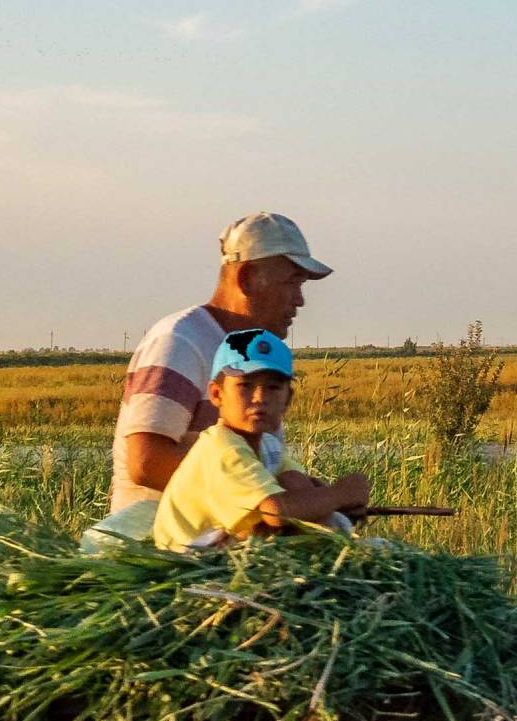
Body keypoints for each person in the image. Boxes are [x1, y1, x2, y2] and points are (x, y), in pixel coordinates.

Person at [106, 212, 333, 532]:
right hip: (162, 549)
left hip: (224, 546)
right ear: (247, 279)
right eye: (291, 282)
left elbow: (260, 465)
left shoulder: (257, 360)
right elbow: (146, 462)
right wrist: (254, 503)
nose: (299, 300)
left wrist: (312, 498)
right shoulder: (180, 342)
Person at [150, 330, 370, 550]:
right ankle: (337, 551)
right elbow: (274, 511)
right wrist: (341, 494)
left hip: (226, 554)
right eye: (245, 385)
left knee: (295, 487)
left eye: (273, 388)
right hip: (191, 560)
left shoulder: (268, 445)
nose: (260, 398)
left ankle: (335, 547)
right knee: (277, 520)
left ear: (287, 400)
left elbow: (298, 483)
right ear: (217, 395)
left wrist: (337, 503)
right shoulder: (222, 448)